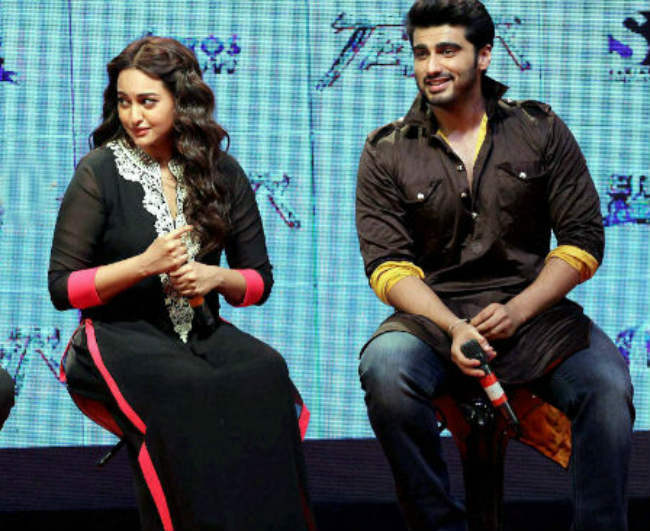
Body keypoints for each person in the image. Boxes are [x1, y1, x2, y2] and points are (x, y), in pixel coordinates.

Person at [355, 1, 634, 530]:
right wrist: (453, 327)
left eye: (447, 51)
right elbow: (388, 266)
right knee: (385, 369)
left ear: (483, 55)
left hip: (536, 316)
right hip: (433, 321)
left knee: (606, 384)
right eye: (421, 53)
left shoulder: (539, 129)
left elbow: (582, 241)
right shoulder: (386, 150)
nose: (432, 66)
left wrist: (519, 310)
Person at [49, 36, 314, 531]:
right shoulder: (99, 171)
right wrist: (142, 265)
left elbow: (259, 282)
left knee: (266, 372)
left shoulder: (222, 171)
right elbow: (63, 289)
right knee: (188, 388)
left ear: (181, 102)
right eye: (124, 102)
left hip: (200, 332)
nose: (134, 116)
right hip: (117, 334)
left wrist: (217, 276)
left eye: (147, 102)